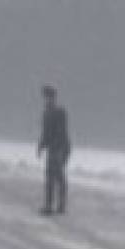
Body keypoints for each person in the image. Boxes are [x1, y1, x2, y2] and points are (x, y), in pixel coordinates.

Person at [37, 85, 71, 216]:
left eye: (49, 97)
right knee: (51, 176)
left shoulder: (59, 112)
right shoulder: (46, 113)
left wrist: (59, 150)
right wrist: (41, 146)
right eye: (46, 98)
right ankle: (50, 205)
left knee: (57, 176)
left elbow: (61, 132)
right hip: (54, 148)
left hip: (60, 147)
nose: (47, 100)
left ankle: (59, 205)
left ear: (53, 98)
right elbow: (45, 133)